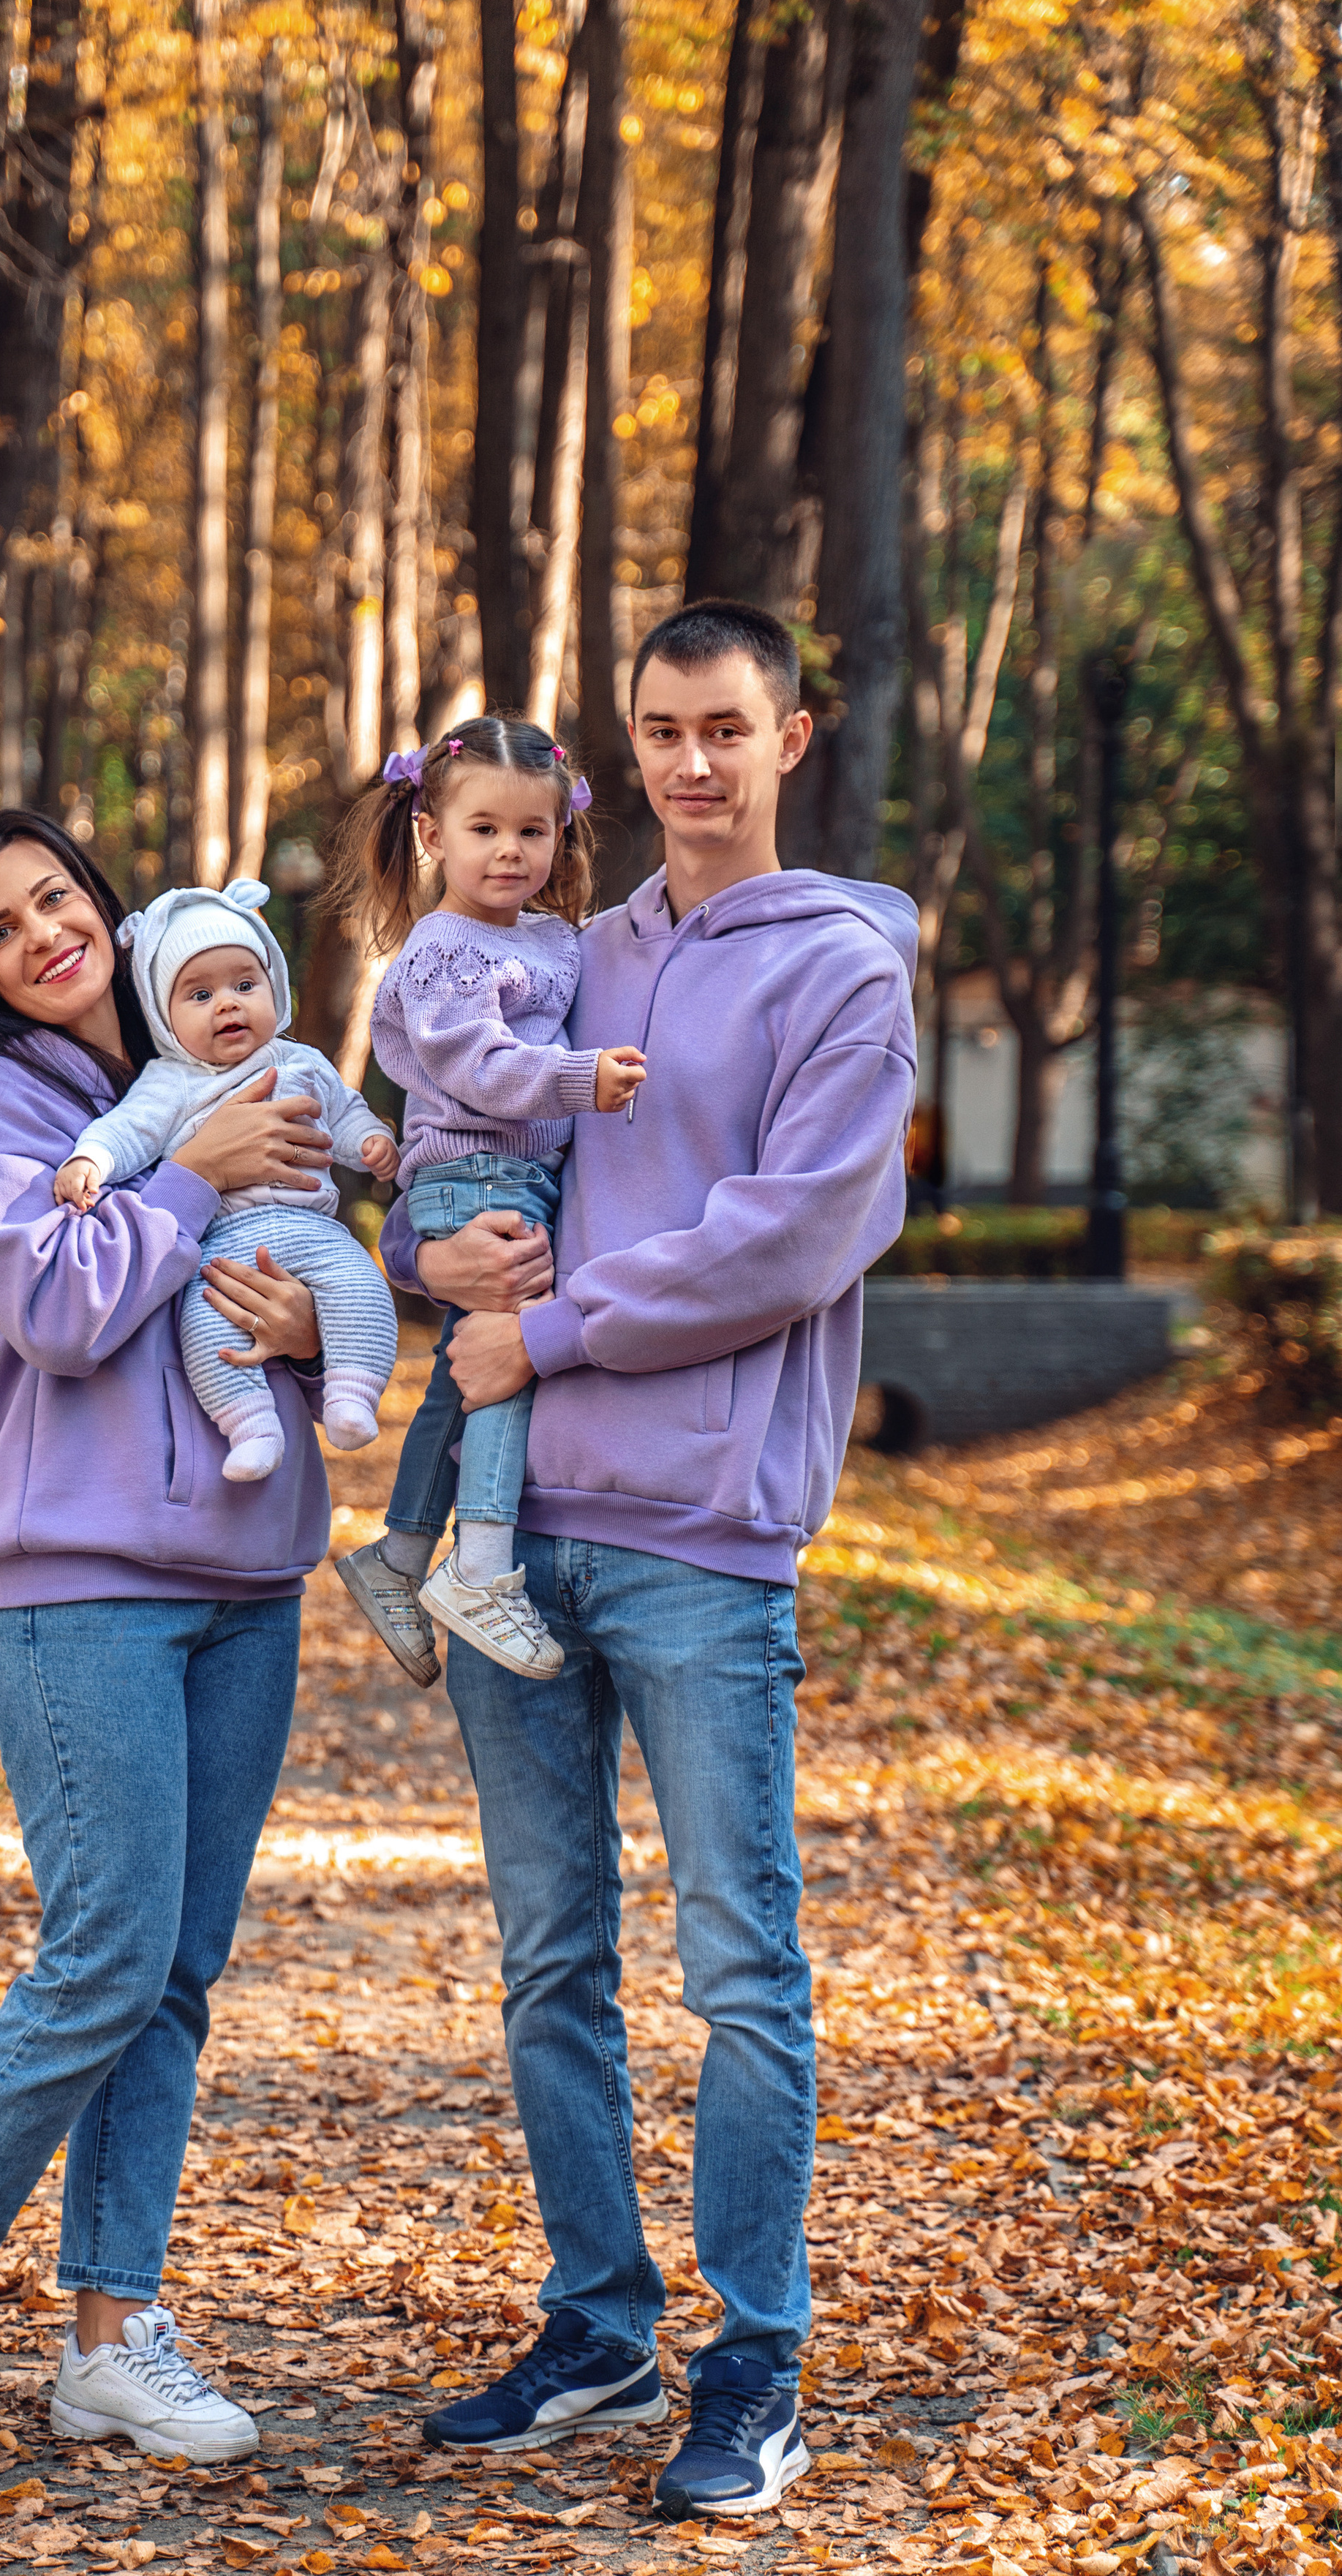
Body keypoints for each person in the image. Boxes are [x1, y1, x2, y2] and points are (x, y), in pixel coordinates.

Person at [378, 603, 918, 2518]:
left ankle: (751, 2354)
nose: (696, 760)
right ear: (631, 746)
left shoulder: (844, 967)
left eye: (729, 728)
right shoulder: (562, 950)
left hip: (703, 1536)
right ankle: (600, 2318)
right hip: (526, 1528)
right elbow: (448, 1159)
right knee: (548, 1964)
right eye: (666, 729)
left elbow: (793, 1233)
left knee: (741, 1963)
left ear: (791, 740)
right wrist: (424, 1266)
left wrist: (557, 1328)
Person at [0, 808, 336, 2471]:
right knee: (105, 1951)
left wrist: (317, 1309)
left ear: (109, 911)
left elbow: (311, 1254)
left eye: (56, 898)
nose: (41, 932)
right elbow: (53, 1307)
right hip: (77, 1585)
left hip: (248, 1581)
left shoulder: (233, 1059)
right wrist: (190, 1179)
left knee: (173, 1977)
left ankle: (113, 2336)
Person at [328, 717, 646, 1684]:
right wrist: (580, 1079)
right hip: (474, 1174)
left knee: (464, 1375)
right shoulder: (445, 950)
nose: (510, 851)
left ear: (562, 835)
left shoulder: (551, 938)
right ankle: (479, 1568)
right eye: (484, 830)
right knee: (508, 1371)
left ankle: (397, 1554)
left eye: (532, 832)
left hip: (514, 1175)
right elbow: (481, 1068)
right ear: (433, 835)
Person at [52, 876, 400, 1478]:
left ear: (275, 988)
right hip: (222, 1247)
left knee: (361, 1289)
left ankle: (352, 1396)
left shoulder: (302, 1062)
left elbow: (343, 1112)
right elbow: (127, 1130)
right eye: (200, 995)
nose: (228, 1004)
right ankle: (251, 1428)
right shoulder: (171, 1081)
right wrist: (91, 1160)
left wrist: (369, 1141)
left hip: (314, 1232)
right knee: (205, 1328)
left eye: (245, 984)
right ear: (165, 1018)